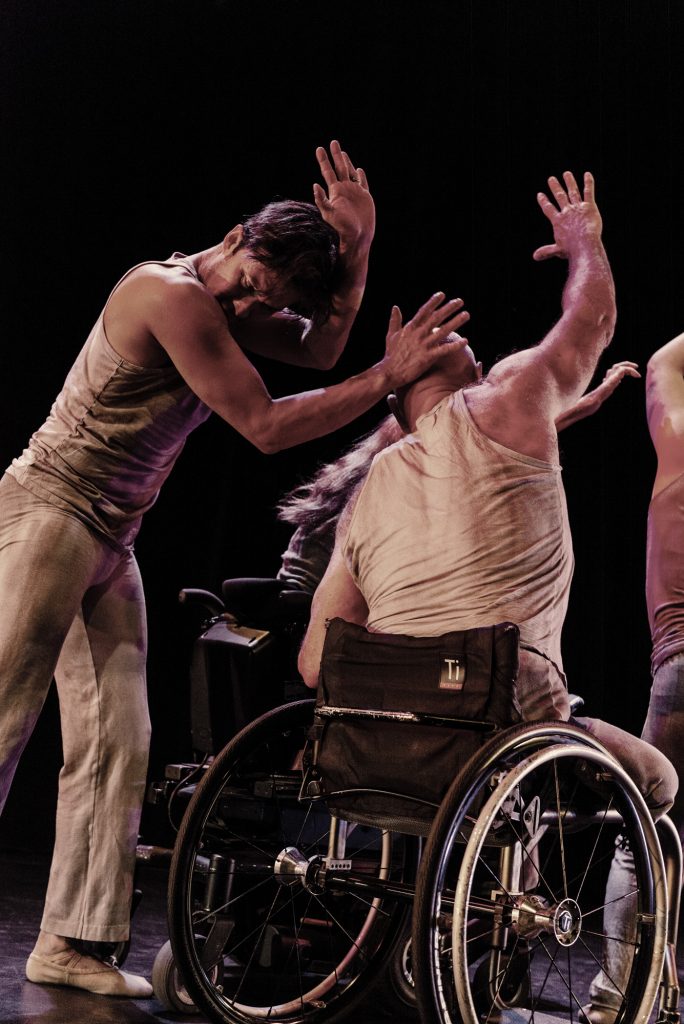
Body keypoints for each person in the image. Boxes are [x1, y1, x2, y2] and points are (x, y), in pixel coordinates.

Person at [0, 140, 470, 999]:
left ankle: (71, 940)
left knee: (117, 737)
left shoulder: (226, 307)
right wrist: (388, 375)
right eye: (253, 279)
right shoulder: (173, 294)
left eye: (272, 297)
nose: (253, 300)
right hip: (52, 509)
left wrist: (358, 252)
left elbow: (320, 353)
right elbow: (263, 425)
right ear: (233, 236)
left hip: (108, 533)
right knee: (6, 713)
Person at [298, 171, 677, 1018]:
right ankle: (633, 992)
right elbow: (592, 323)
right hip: (504, 718)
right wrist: (586, 244)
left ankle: (491, 897)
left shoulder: (370, 490)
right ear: (454, 368)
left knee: (516, 733)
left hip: (387, 745)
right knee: (657, 781)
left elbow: (316, 657)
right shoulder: (508, 399)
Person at [277, 362, 640, 596]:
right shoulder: (411, 447)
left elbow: (516, 434)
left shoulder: (424, 428)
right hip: (310, 602)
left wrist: (588, 401)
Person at [585, 332, 684, 1023]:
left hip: (680, 672)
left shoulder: (677, 454)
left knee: (645, 832)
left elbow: (664, 364)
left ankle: (618, 998)